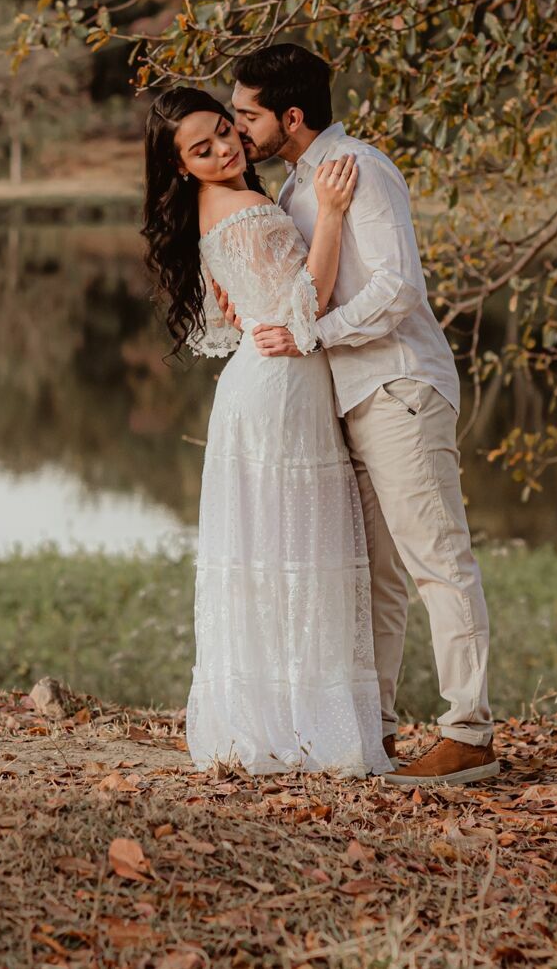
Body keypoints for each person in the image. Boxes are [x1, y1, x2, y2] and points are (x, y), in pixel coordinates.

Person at [227, 42, 499, 786]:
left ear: (291, 114)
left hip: (400, 390)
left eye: (247, 114)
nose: (237, 126)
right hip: (349, 399)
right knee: (375, 578)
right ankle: (374, 731)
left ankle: (470, 732)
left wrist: (317, 333)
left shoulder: (362, 171)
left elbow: (397, 289)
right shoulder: (294, 192)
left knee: (438, 561)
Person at [140, 86, 390, 776]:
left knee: (270, 555)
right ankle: (306, 728)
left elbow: (246, 313)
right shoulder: (247, 209)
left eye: (225, 132)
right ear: (180, 166)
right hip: (281, 386)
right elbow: (305, 306)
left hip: (261, 381)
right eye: (203, 148)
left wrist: (258, 311)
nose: (225, 149)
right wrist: (333, 216)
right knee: (294, 554)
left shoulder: (212, 209)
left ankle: (280, 719)